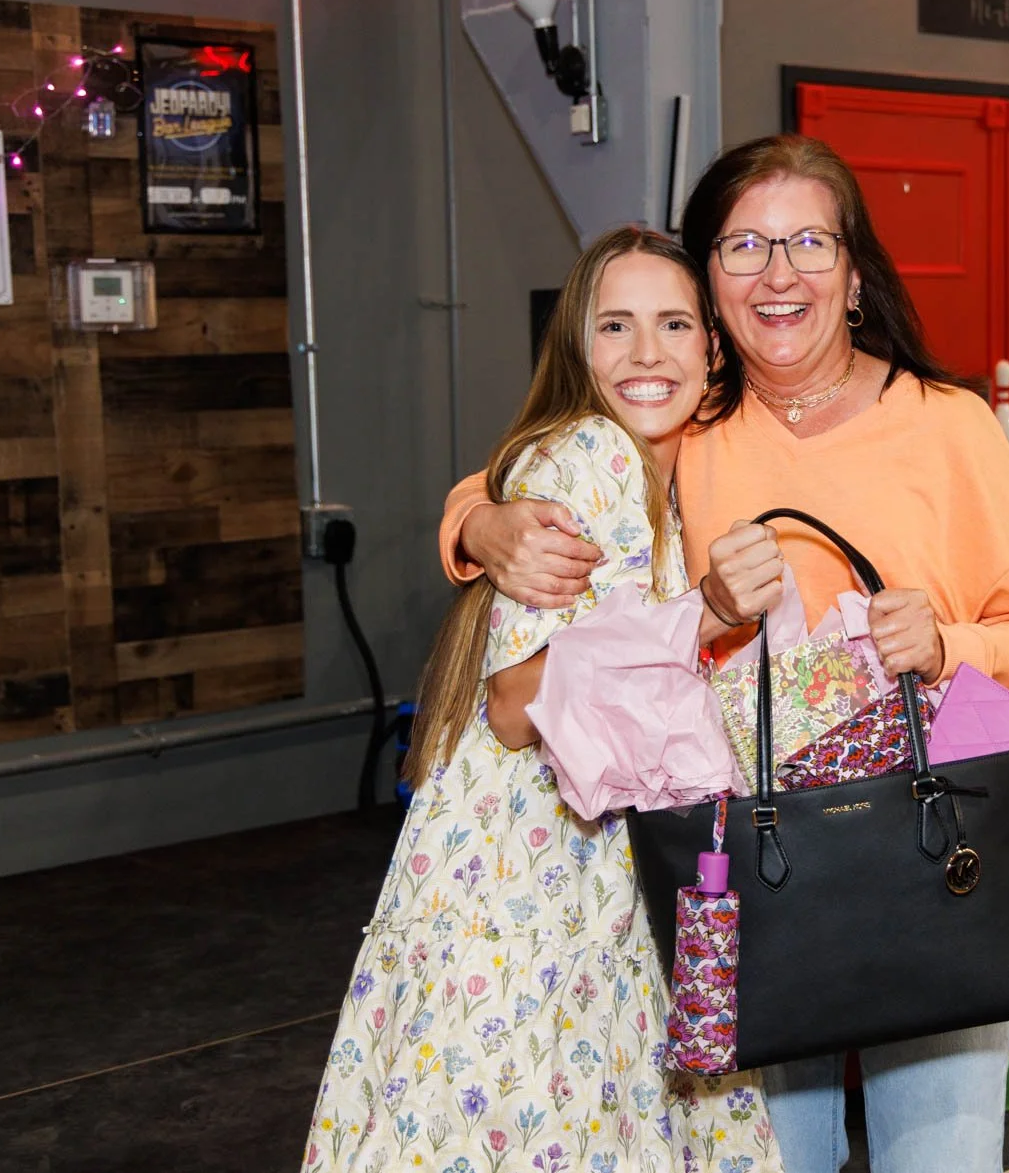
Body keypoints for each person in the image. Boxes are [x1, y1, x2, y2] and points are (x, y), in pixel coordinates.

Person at [436, 135, 1009, 1173]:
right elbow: (535, 461)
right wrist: (480, 523)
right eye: (743, 245)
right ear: (709, 283)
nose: (777, 272)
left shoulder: (951, 426)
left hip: (931, 854)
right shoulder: (690, 421)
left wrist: (949, 643)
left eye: (805, 242)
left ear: (856, 270)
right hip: (753, 871)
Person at [302, 226, 784, 1173]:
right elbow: (515, 703)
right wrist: (704, 615)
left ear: (710, 348)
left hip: (551, 865)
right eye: (616, 326)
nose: (647, 353)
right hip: (536, 876)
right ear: (577, 345)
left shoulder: (653, 469)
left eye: (674, 323)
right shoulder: (588, 460)